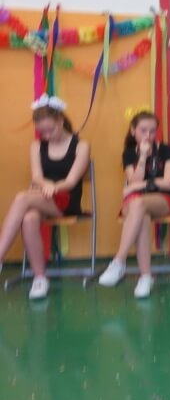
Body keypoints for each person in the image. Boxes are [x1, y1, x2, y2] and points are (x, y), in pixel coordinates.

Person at [0, 95, 91, 300]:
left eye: (51, 130)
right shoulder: (36, 146)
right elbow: (37, 177)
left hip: (67, 200)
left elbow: (72, 180)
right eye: (43, 132)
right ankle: (40, 278)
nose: (47, 135)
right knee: (29, 218)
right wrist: (45, 186)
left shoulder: (81, 146)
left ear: (61, 120)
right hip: (43, 198)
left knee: (22, 198)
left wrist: (53, 187)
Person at [97, 110, 170, 298]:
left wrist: (139, 186)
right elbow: (134, 180)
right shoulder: (129, 153)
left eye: (152, 131)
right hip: (135, 203)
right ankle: (145, 277)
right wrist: (142, 156)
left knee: (138, 203)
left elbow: (167, 183)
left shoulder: (167, 151)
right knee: (141, 214)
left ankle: (119, 262)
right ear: (133, 131)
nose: (148, 135)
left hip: (162, 200)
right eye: (143, 130)